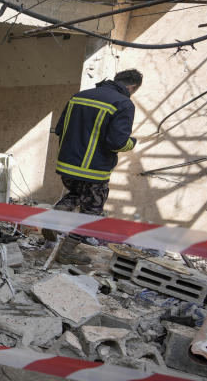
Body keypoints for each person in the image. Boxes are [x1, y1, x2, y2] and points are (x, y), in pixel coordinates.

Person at [45, 69, 142, 264]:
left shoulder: (79, 97)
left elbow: (60, 129)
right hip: (94, 170)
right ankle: (66, 252)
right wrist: (132, 142)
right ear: (132, 87)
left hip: (67, 165)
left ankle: (52, 220)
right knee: (92, 211)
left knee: (76, 195)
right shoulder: (123, 103)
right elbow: (117, 142)